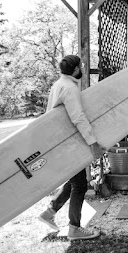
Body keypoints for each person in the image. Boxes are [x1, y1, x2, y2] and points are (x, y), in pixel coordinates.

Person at [37, 54, 105, 240]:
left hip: (58, 140)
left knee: (75, 182)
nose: (82, 69)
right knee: (80, 185)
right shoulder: (69, 88)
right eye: (81, 67)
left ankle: (50, 212)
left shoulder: (58, 84)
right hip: (66, 142)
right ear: (75, 69)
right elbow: (78, 118)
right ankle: (74, 228)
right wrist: (93, 143)